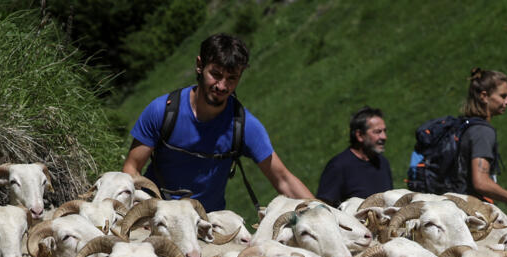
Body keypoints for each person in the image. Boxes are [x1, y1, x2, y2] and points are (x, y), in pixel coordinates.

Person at [121, 33, 313, 211]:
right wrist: (146, 208)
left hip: (207, 225)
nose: (222, 86)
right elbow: (131, 168)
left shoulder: (244, 126)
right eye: (216, 74)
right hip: (156, 215)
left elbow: (283, 179)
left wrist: (325, 215)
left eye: (232, 78)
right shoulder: (163, 111)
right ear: (199, 65)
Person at [457, 68, 507, 210]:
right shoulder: (482, 132)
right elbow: (481, 182)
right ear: (484, 96)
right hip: (469, 211)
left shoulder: (463, 125)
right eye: (503, 96)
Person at [316, 106, 393, 206]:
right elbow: (323, 208)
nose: (384, 137)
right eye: (377, 132)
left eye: (384, 131)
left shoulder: (382, 163)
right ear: (359, 135)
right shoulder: (339, 166)